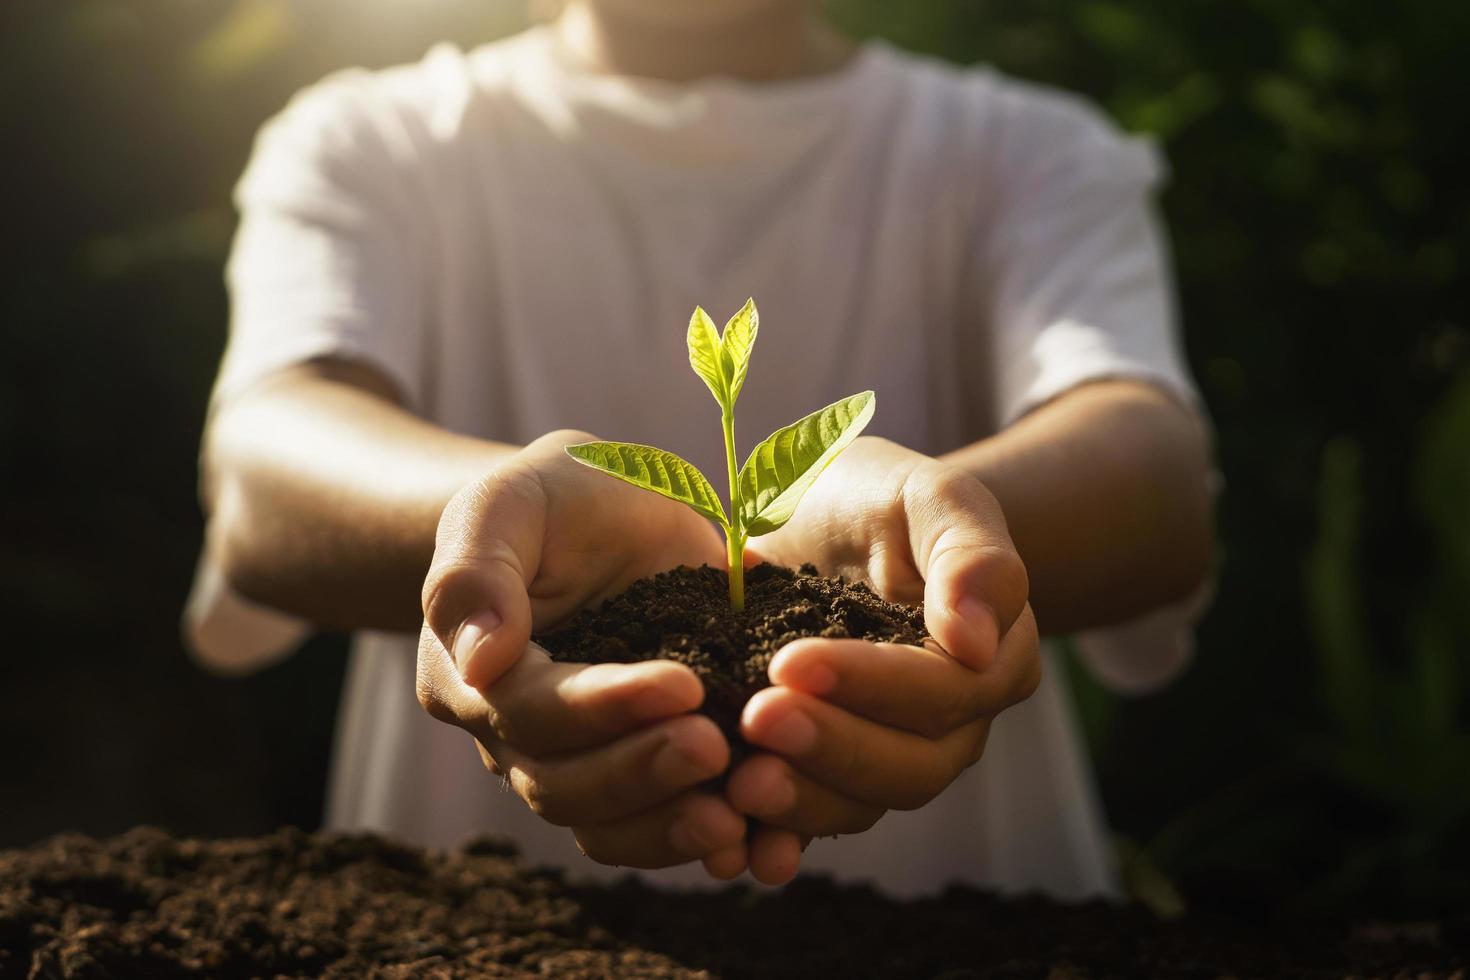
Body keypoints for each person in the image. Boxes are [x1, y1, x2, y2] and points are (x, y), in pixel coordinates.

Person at [186, 0, 1214, 896]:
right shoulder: (373, 138)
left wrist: (928, 534)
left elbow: (1154, 475)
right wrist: (504, 531)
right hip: (476, 910)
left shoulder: (1025, 148)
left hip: (969, 919)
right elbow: (266, 473)